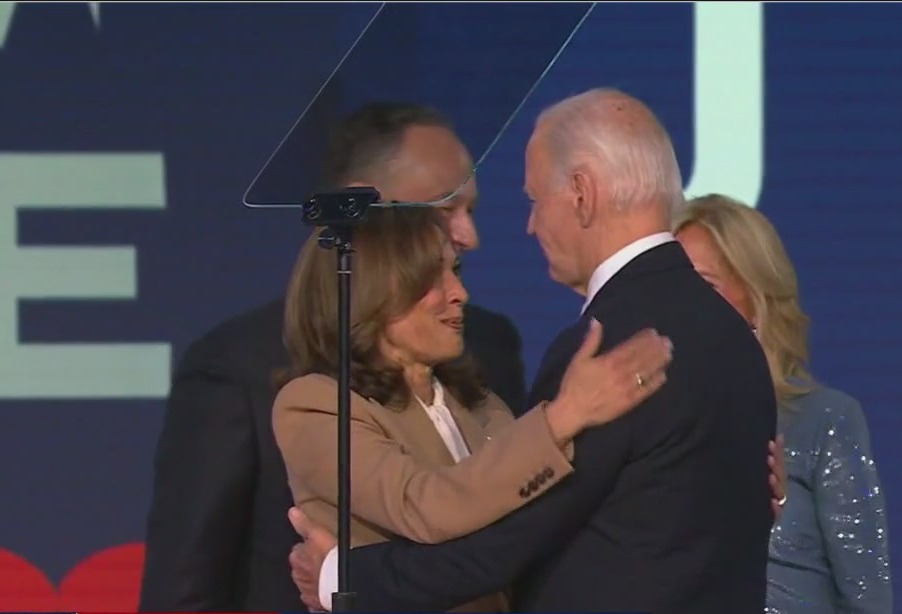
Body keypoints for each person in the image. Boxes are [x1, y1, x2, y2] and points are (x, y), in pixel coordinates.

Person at [287, 87, 778, 614]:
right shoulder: (733, 333)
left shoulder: (606, 350)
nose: (530, 225)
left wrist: (342, 577)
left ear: (582, 194)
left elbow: (505, 547)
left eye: (534, 199)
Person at [138, 102, 531, 612]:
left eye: (470, 211)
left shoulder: (490, 344)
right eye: (441, 210)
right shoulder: (239, 367)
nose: (468, 236)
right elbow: (185, 589)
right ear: (353, 214)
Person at [274, 204, 673, 612]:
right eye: (432, 277)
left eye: (456, 271)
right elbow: (425, 507)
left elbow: (527, 528)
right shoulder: (316, 405)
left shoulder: (478, 401)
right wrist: (564, 417)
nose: (459, 294)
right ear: (369, 292)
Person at [673, 194, 893, 613]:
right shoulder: (647, 428)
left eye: (705, 286)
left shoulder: (824, 420)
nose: (682, 307)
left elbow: (869, 601)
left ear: (756, 298)